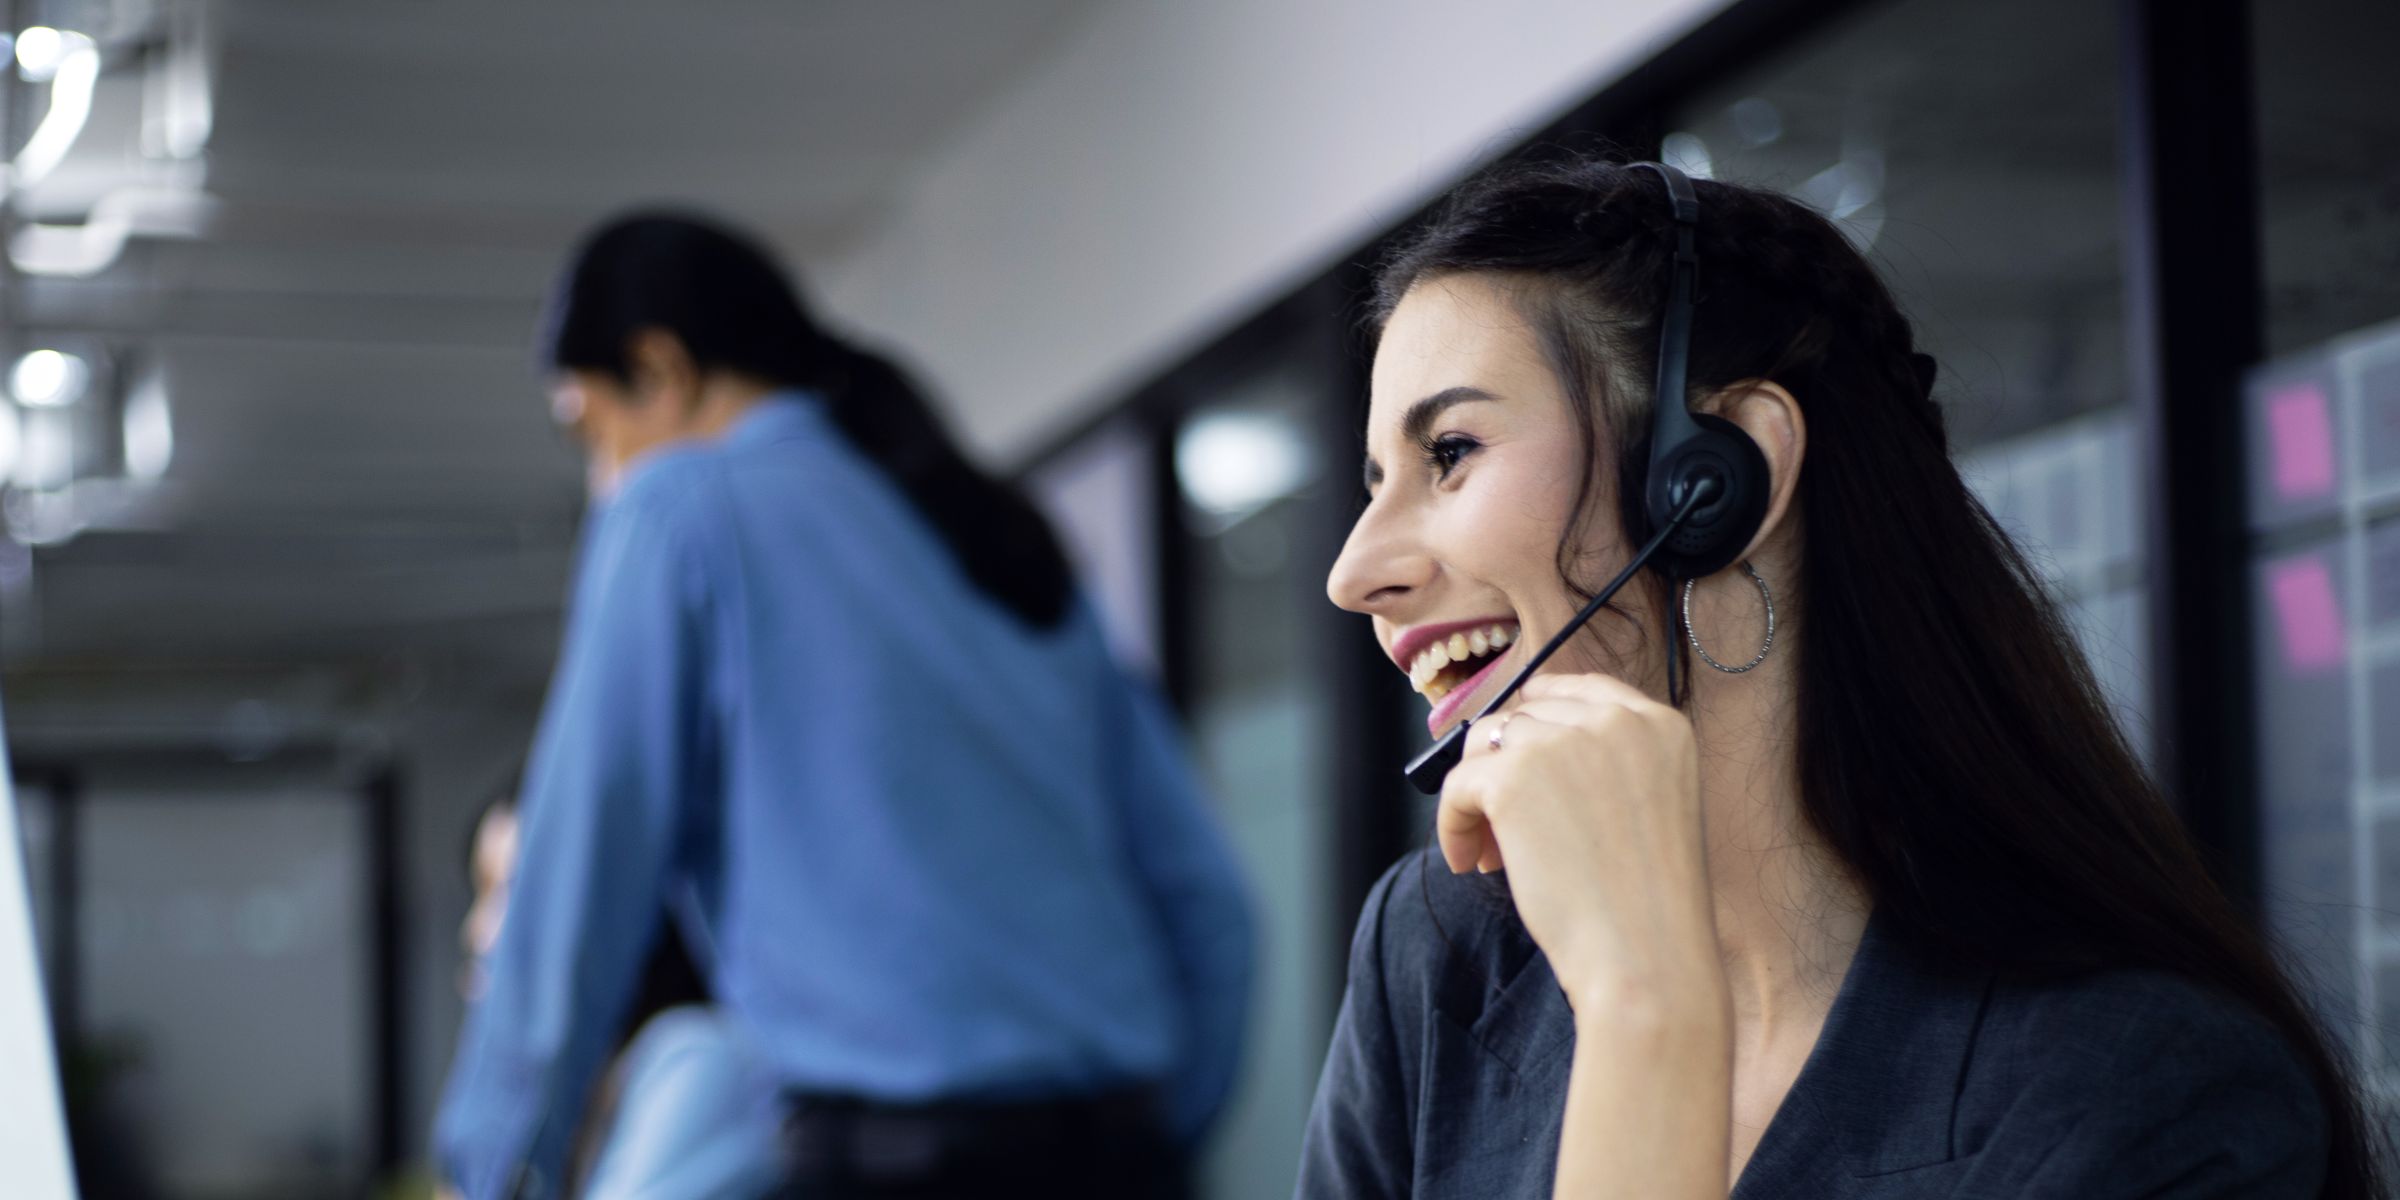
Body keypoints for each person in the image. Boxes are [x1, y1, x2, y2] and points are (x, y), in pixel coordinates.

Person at [1301, 156, 2381, 1198]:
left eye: (1449, 452)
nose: (1354, 573)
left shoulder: (2150, 1098)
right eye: (1375, 480)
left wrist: (1648, 1009)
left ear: (1713, 482)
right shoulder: (1442, 950)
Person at [434, 213, 1255, 1200]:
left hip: (891, 1165)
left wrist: (493, 1166)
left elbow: (579, 879)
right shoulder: (997, 536)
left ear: (661, 371)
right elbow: (1210, 905)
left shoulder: (680, 509)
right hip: (1123, 1153)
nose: (599, 476)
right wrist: (1166, 1133)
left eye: (589, 427)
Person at [457, 787, 782, 1200]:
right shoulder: (584, 1100)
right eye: (481, 892)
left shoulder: (700, 1065)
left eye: (512, 894)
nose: (479, 934)